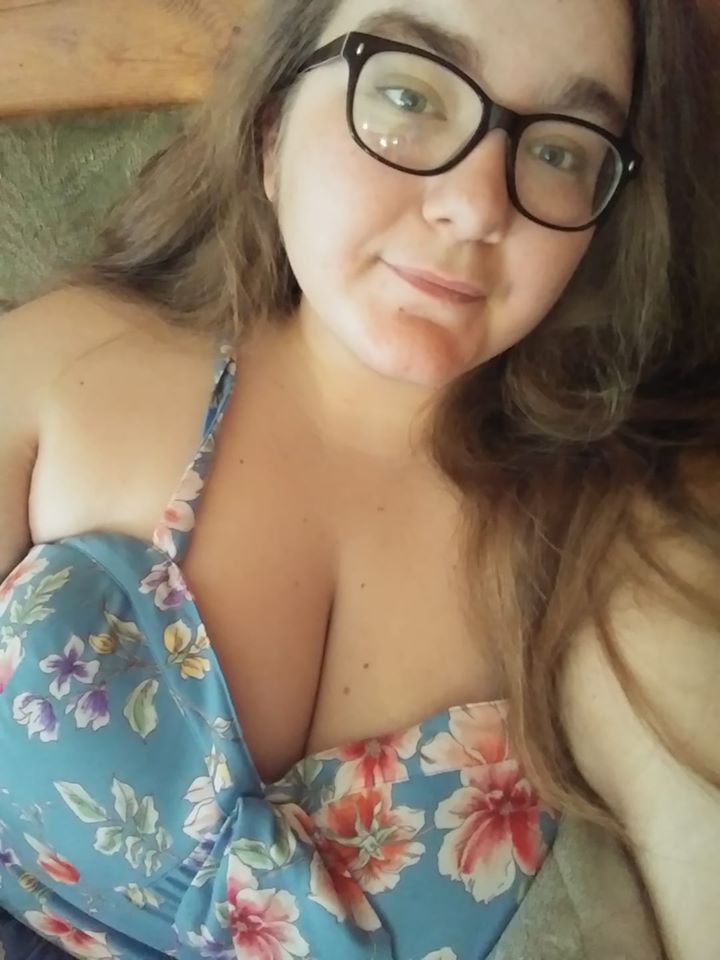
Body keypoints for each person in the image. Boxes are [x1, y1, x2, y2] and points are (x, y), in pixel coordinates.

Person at [0, 0, 718, 957]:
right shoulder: (63, 363)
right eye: (411, 96)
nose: (477, 206)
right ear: (272, 127)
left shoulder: (618, 548)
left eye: (558, 150)